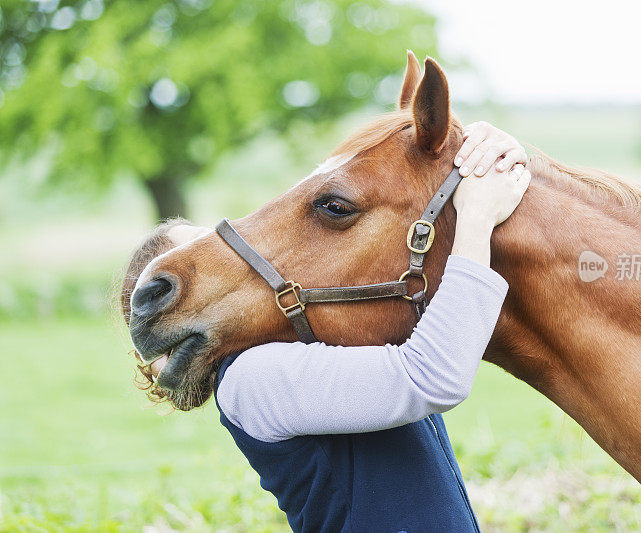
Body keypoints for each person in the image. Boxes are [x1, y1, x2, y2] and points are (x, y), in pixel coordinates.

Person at [121, 122, 531, 532]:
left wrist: (483, 153)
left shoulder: (313, 344)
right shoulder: (250, 381)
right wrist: (477, 216)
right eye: (196, 254)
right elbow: (429, 377)